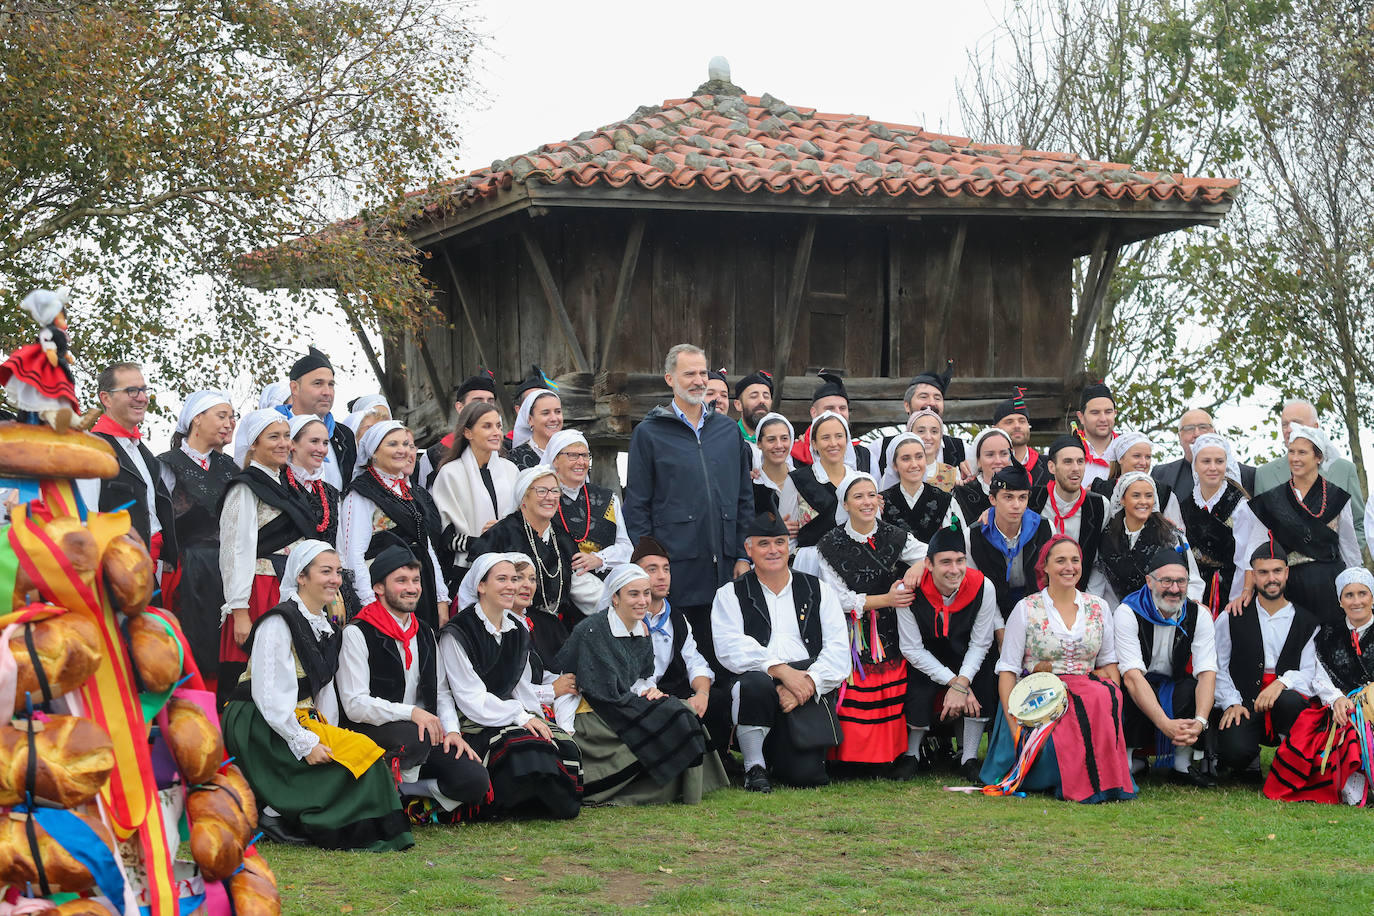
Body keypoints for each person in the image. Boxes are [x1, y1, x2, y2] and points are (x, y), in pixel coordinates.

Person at [221, 541, 414, 850]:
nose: (335, 579)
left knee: (365, 756)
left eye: (337, 572)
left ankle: (305, 815)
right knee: (340, 768)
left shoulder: (324, 627)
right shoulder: (278, 622)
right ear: (301, 577)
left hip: (297, 717)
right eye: (325, 572)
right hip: (258, 723)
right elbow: (268, 695)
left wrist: (330, 734)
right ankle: (274, 813)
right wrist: (305, 743)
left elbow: (322, 691)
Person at [335, 538, 491, 823]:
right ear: (378, 588)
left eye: (416, 580)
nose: (411, 588)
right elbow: (354, 705)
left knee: (475, 780)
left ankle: (405, 792)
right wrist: (412, 713)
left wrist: (453, 732)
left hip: (421, 733)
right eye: (401, 580)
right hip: (373, 732)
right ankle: (381, 791)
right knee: (413, 738)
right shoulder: (357, 633)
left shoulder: (426, 633)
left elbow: (442, 692)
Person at [623, 344, 753, 675]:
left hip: (725, 569)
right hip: (676, 570)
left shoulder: (727, 431)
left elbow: (743, 498)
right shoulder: (649, 434)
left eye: (702, 373)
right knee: (681, 666)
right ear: (670, 379)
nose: (698, 381)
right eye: (689, 373)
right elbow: (637, 505)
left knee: (728, 660)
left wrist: (742, 555)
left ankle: (728, 726)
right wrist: (648, 567)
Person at [980, 536, 1136, 802]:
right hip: (1038, 699)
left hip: (1089, 696)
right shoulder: (1026, 608)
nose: (1069, 567)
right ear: (1045, 568)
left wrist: (1111, 703)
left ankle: (1106, 774)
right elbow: (1007, 670)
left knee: (1102, 695)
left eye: (1075, 560)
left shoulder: (1098, 607)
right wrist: (1014, 723)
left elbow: (1109, 664)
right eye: (1060, 560)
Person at [556, 565, 728, 805]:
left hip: (623, 704)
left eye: (646, 593)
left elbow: (639, 678)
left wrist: (649, 689)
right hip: (592, 715)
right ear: (615, 598)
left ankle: (688, 788)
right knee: (675, 714)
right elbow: (567, 683)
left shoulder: (640, 630)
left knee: (682, 710)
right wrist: (566, 730)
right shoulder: (591, 630)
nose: (643, 601)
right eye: (633, 594)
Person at [710, 512, 851, 792]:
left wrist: (808, 683)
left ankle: (776, 755)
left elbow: (838, 649)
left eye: (779, 542)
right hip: (758, 685)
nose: (773, 550)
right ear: (749, 549)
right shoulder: (730, 593)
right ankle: (754, 766)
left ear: (790, 546)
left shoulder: (818, 589)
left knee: (804, 777)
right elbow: (728, 646)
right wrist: (781, 670)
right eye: (763, 544)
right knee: (754, 683)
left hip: (805, 685)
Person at [439, 552, 583, 819]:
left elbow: (520, 684)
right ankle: (510, 804)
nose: (512, 586)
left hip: (506, 712)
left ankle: (540, 802)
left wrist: (534, 717)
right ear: (481, 586)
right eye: (502, 579)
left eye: (514, 579)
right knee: (520, 748)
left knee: (553, 742)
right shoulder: (458, 632)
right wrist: (519, 715)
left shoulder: (516, 629)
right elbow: (470, 697)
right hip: (474, 718)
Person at [816, 471, 926, 769]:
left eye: (872, 495)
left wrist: (917, 568)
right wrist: (884, 600)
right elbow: (837, 598)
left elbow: (931, 555)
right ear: (846, 504)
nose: (867, 502)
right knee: (853, 685)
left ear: (879, 500)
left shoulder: (894, 535)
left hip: (890, 628)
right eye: (858, 496)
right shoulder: (829, 544)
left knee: (890, 684)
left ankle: (886, 756)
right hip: (852, 631)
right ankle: (850, 758)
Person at [217, 408, 321, 707]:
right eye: (273, 437)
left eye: (287, 436)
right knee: (256, 676)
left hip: (291, 590)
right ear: (253, 444)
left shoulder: (289, 487)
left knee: (290, 676)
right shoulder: (244, 488)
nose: (283, 443)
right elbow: (235, 551)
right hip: (261, 591)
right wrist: (239, 611)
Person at [895, 524, 999, 780]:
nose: (955, 570)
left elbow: (981, 643)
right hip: (926, 658)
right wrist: (955, 683)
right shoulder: (908, 591)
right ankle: (912, 754)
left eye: (960, 561)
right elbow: (911, 648)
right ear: (928, 564)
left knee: (985, 675)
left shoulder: (983, 587)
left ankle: (969, 758)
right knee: (917, 683)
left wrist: (963, 681)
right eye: (946, 562)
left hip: (966, 655)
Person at [469, 467, 602, 667]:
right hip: (508, 630)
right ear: (524, 497)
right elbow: (477, 587)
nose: (550, 497)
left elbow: (580, 585)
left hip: (553, 631)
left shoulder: (562, 539)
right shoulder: (502, 534)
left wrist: (619, 603)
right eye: (542, 491)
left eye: (555, 491)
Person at [1264, 568, 1374, 805]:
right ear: (1340, 600)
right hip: (1338, 708)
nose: (1356, 601)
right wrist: (1336, 699)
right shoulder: (1327, 634)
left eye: (1362, 594)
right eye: (1349, 595)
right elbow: (1319, 677)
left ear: (1372, 598)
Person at [1213, 540, 1318, 782]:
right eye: (1263, 572)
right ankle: (1248, 760)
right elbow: (1218, 666)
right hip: (1244, 700)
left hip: (1286, 702)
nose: (1271, 578)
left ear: (1287, 572)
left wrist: (1281, 683)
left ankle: (1289, 759)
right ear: (1253, 577)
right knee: (1234, 752)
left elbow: (1310, 672)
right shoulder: (1232, 616)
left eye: (1277, 571)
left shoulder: (1307, 621)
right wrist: (1231, 702)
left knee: (1290, 700)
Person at [1114, 547, 1218, 785]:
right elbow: (1131, 675)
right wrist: (1164, 724)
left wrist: (1200, 722)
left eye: (1181, 581)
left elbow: (1207, 672)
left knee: (1192, 688)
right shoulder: (1127, 612)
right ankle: (1128, 762)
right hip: (1138, 682)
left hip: (1173, 683)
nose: (1174, 589)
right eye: (1167, 581)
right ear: (1149, 581)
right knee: (1126, 690)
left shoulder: (1198, 615)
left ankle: (1181, 766)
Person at [1244, 423, 1361, 625]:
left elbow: (1349, 547)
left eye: (1302, 452)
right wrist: (1248, 588)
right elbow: (1255, 547)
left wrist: (1355, 585)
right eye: (1291, 452)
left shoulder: (1337, 497)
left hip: (1329, 584)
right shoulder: (1273, 499)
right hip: (1289, 585)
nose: (1295, 458)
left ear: (1318, 457)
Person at [340, 420, 450, 628]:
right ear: (374, 452)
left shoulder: (408, 491)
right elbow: (353, 554)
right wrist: (369, 603)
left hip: (419, 583)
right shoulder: (361, 493)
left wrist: (440, 597)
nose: (403, 451)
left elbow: (425, 546)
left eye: (406, 445)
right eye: (393, 444)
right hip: (384, 592)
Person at [158, 390, 237, 680]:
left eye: (232, 417)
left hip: (226, 572)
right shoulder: (166, 464)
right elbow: (158, 521)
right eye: (222, 416)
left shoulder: (230, 468)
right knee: (187, 649)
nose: (229, 423)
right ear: (196, 419)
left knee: (225, 651)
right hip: (185, 573)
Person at [631, 536, 733, 756]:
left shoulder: (677, 618)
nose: (661, 576)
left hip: (668, 692)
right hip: (635, 695)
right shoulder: (622, 619)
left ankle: (717, 760)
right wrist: (652, 693)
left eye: (666, 569)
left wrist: (702, 695)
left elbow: (695, 663)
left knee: (717, 698)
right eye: (652, 569)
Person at [77, 362, 177, 569]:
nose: (142, 398)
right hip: (113, 571)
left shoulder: (143, 452)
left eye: (143, 390)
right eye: (131, 391)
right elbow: (85, 520)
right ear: (106, 398)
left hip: (148, 569)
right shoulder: (91, 449)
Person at [1254, 399, 1366, 552]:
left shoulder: (1344, 471)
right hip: (1281, 572)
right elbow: (1259, 532)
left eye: (1295, 423)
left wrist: (1342, 564)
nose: (1288, 429)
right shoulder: (1264, 474)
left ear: (1316, 427)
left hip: (1333, 569)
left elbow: (1359, 525)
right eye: (1284, 424)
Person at [431, 401, 519, 589]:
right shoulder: (450, 474)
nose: (497, 432)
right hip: (467, 570)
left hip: (512, 566)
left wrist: (505, 529)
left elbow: (523, 519)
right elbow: (445, 537)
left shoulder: (511, 470)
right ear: (468, 432)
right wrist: (486, 540)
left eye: (498, 426)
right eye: (487, 426)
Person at [1096, 472, 1203, 608]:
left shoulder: (1170, 535)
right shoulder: (1108, 535)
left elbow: (1192, 577)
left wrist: (1188, 606)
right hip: (1120, 613)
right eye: (1136, 495)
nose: (1143, 501)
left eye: (1148, 495)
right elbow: (1104, 582)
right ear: (1122, 499)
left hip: (1165, 613)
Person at [1177, 434, 1258, 613]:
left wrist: (1239, 594)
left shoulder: (1239, 504)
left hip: (1231, 587)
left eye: (1219, 461)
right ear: (1195, 465)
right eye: (1206, 461)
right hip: (1194, 588)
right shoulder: (1185, 505)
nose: (1213, 467)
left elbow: (1245, 555)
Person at [966, 458, 1052, 626]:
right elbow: (976, 587)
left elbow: (1050, 579)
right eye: (1008, 497)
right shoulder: (972, 535)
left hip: (1039, 608)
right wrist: (998, 627)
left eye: (1022, 497)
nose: (1016, 505)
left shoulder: (1045, 528)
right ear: (992, 499)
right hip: (988, 610)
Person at [1028, 435, 1110, 596]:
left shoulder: (1099, 505)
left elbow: (1099, 562)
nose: (1076, 468)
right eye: (1068, 462)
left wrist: (1087, 600)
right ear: (1051, 467)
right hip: (1036, 594)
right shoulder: (1032, 500)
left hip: (1082, 593)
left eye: (1080, 461)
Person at [545, 429, 631, 575]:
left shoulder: (607, 499)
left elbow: (626, 547)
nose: (581, 462)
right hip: (555, 585)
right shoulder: (542, 498)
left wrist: (599, 559)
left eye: (585, 455)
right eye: (572, 455)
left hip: (601, 588)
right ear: (555, 460)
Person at [0, 288, 84, 431]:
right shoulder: (47, 339)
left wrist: (64, 356)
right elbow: (48, 344)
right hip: (47, 370)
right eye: (60, 318)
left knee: (56, 396)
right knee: (47, 397)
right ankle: (61, 421)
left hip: (53, 370)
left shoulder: (5, 421)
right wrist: (51, 353)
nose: (63, 322)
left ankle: (74, 421)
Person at [274, 346, 355, 491]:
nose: (327, 392)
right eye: (318, 383)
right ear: (295, 388)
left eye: (331, 385)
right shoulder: (273, 430)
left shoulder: (343, 435)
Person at [417, 368, 499, 487]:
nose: (485, 406)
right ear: (460, 407)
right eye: (477, 401)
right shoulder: (434, 455)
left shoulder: (503, 450)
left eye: (490, 401)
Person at [878, 432, 962, 543]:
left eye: (919, 457)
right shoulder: (881, 503)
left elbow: (959, 542)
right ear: (894, 465)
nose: (914, 464)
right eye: (905, 459)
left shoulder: (945, 500)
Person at [1152, 408, 1258, 495]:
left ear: (1215, 433)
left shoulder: (1248, 475)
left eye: (1203, 427)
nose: (1197, 434)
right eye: (1189, 428)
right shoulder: (1161, 474)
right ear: (1179, 437)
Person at [1091, 431, 1184, 527]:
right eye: (1137, 456)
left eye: (1148, 457)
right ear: (1120, 459)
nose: (1143, 462)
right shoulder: (1101, 490)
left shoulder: (1164, 493)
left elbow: (1177, 533)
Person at [788, 372, 876, 471]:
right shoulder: (791, 455)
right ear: (814, 413)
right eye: (830, 408)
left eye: (842, 408)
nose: (837, 413)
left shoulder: (866, 456)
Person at [791, 411, 852, 549]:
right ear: (814, 444)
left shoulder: (859, 480)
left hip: (854, 560)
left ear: (847, 440)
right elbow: (786, 534)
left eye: (839, 436)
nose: (833, 443)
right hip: (811, 561)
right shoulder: (797, 480)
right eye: (825, 438)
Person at [752, 412, 804, 550]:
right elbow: (742, 526)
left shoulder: (805, 480)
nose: (779, 445)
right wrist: (774, 528)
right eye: (771, 440)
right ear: (759, 443)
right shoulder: (751, 486)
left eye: (784, 438)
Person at [286, 414, 340, 545]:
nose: (321, 449)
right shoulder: (278, 483)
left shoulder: (331, 492)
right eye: (314, 441)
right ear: (292, 444)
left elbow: (341, 546)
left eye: (325, 443)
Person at [952, 428, 1013, 524]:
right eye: (990, 455)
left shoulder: (1025, 491)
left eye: (1004, 454)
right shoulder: (961, 494)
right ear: (978, 460)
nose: (998, 461)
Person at [992, 387, 1050, 488]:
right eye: (1009, 422)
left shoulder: (1050, 466)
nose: (1017, 426)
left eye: (1022, 421)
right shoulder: (986, 466)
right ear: (995, 429)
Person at [1075, 382, 1118, 489]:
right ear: (1081, 417)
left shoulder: (1128, 452)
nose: (1103, 419)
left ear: (1115, 414)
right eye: (1095, 412)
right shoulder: (1065, 453)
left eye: (1108, 412)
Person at [509, 387, 563, 471]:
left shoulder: (572, 452)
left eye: (558, 412)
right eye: (545, 413)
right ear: (530, 420)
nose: (554, 418)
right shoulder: (514, 458)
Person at [907, 408, 960, 492]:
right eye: (921, 431)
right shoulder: (899, 471)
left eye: (934, 431)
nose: (928, 437)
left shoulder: (952, 474)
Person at [732, 369, 774, 445]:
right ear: (738, 405)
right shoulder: (728, 438)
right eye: (754, 396)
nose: (762, 400)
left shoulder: (780, 442)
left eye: (766, 396)